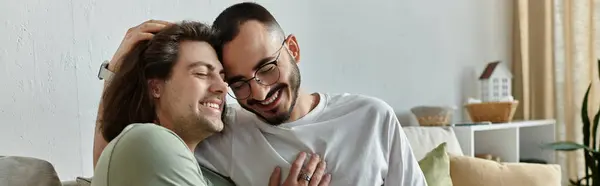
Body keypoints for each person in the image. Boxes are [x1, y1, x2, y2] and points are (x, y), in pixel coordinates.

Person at [194, 2, 427, 186]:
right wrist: (161, 49)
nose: (260, 93)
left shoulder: (373, 118)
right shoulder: (227, 134)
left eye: (267, 68)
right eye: (240, 83)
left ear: (293, 49)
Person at [91, 21, 331, 186]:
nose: (222, 87)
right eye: (201, 73)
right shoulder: (147, 141)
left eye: (223, 77)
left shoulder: (208, 167)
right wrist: (114, 74)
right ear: (155, 87)